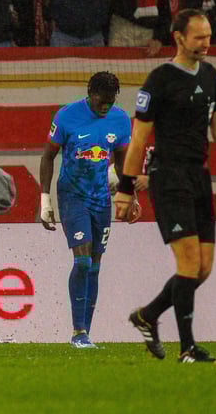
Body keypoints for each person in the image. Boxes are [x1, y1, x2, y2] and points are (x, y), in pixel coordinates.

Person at [116, 8, 216, 363]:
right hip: (169, 177)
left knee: (203, 268)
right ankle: (188, 348)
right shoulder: (159, 79)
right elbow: (138, 139)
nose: (206, 43)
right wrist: (126, 189)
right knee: (190, 263)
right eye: (199, 37)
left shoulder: (209, 74)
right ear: (179, 37)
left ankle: (147, 315)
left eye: (209, 36)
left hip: (198, 176)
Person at [38, 71, 134, 349]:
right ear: (90, 94)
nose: (105, 107)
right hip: (72, 195)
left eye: (110, 101)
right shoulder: (67, 116)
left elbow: (123, 159)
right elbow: (47, 156)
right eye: (101, 101)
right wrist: (45, 201)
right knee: (81, 261)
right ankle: (78, 331)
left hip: (101, 199)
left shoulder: (120, 119)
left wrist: (130, 194)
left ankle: (85, 336)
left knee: (94, 267)